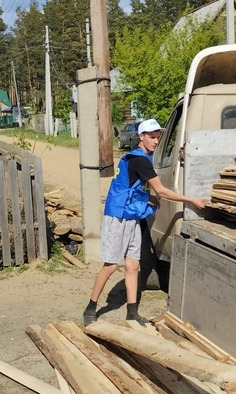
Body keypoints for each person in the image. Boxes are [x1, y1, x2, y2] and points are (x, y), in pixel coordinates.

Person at [83, 118, 206, 326]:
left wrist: (147, 198)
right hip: (118, 215)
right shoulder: (140, 160)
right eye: (151, 137)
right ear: (141, 137)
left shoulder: (138, 157)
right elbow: (162, 190)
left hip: (131, 214)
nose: (156, 141)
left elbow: (131, 186)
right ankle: (90, 307)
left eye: (158, 137)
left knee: (133, 265)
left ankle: (132, 313)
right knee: (111, 266)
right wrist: (191, 200)